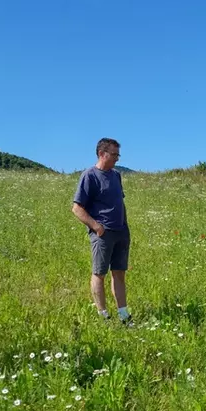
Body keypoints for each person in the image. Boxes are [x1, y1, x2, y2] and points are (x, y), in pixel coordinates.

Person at [72, 138, 133, 325]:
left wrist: (125, 224)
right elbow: (77, 208)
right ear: (101, 154)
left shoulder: (116, 175)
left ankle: (123, 314)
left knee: (119, 272)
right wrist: (97, 227)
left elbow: (119, 201)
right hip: (103, 233)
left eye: (118, 155)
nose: (117, 159)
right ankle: (103, 315)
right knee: (99, 273)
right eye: (114, 154)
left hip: (121, 231)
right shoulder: (89, 176)